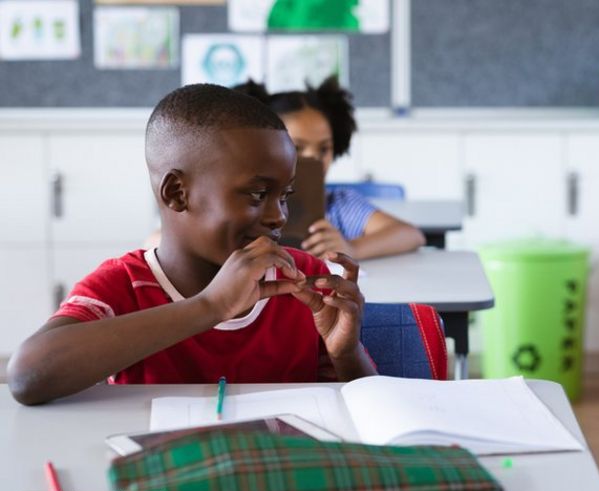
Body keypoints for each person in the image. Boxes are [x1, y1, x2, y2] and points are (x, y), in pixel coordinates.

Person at [8, 84, 376, 405]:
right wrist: (209, 306)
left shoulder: (302, 277)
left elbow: (366, 409)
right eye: (257, 194)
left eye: (284, 196)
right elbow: (28, 376)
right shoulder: (123, 287)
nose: (278, 216)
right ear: (177, 193)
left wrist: (346, 353)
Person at [234, 77, 425, 260]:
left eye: (324, 149)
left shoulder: (339, 205)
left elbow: (411, 235)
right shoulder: (247, 205)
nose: (315, 158)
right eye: (297, 148)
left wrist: (352, 248)